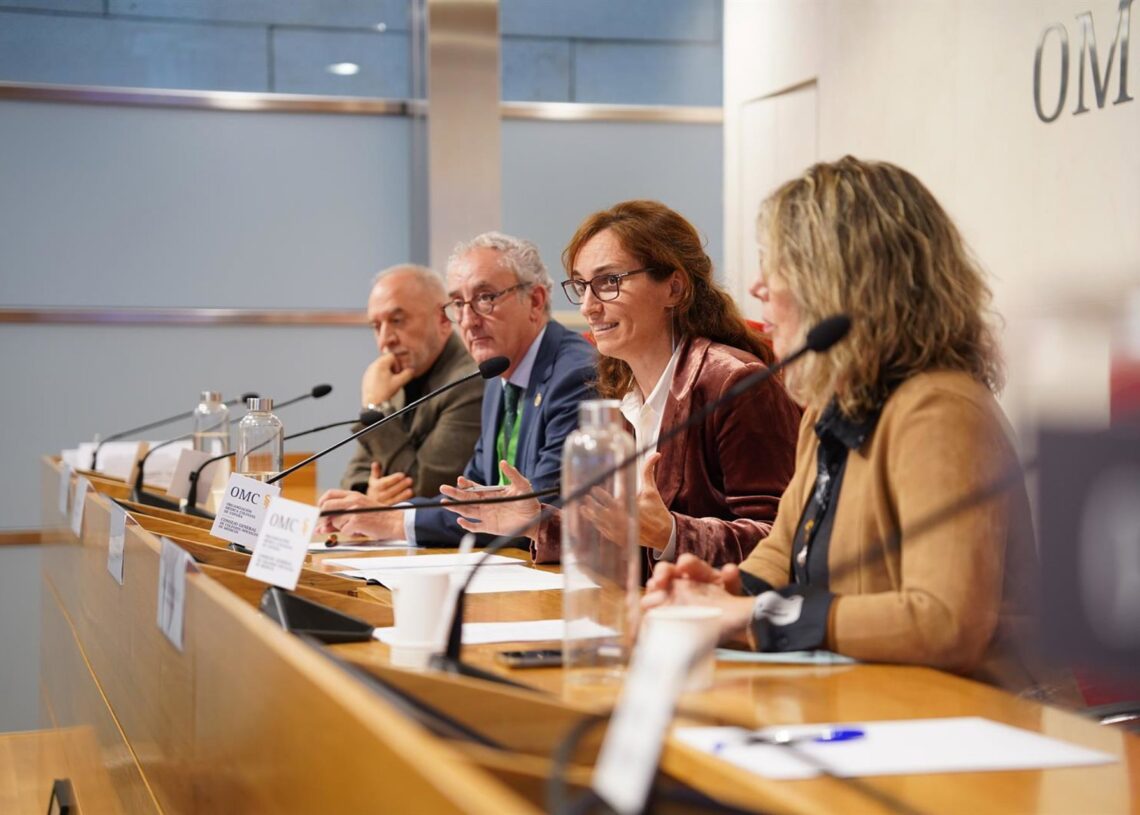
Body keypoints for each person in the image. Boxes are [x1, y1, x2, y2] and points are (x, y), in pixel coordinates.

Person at [643, 156, 1073, 700]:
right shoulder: (832, 406)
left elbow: (944, 622)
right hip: (872, 705)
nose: (757, 288)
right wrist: (722, 590)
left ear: (836, 283)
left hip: (979, 724)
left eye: (776, 268)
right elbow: (784, 548)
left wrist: (756, 614)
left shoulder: (940, 410)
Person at [440, 201, 801, 570]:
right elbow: (625, 539)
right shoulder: (619, 392)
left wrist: (673, 533)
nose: (587, 307)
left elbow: (784, 541)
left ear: (674, 288)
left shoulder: (734, 383)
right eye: (581, 286)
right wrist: (537, 523)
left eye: (608, 282)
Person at [318, 232, 597, 545]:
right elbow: (469, 497)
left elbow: (537, 514)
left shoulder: (575, 375)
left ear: (535, 301)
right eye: (459, 304)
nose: (468, 320)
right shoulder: (497, 378)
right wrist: (380, 511)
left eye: (485, 298)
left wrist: (392, 519)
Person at [338, 264, 483, 502]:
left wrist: (375, 408)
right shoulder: (395, 380)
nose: (385, 340)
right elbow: (352, 478)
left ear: (443, 320)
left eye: (397, 320)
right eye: (377, 326)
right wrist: (368, 493)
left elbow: (427, 490)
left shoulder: (470, 382)